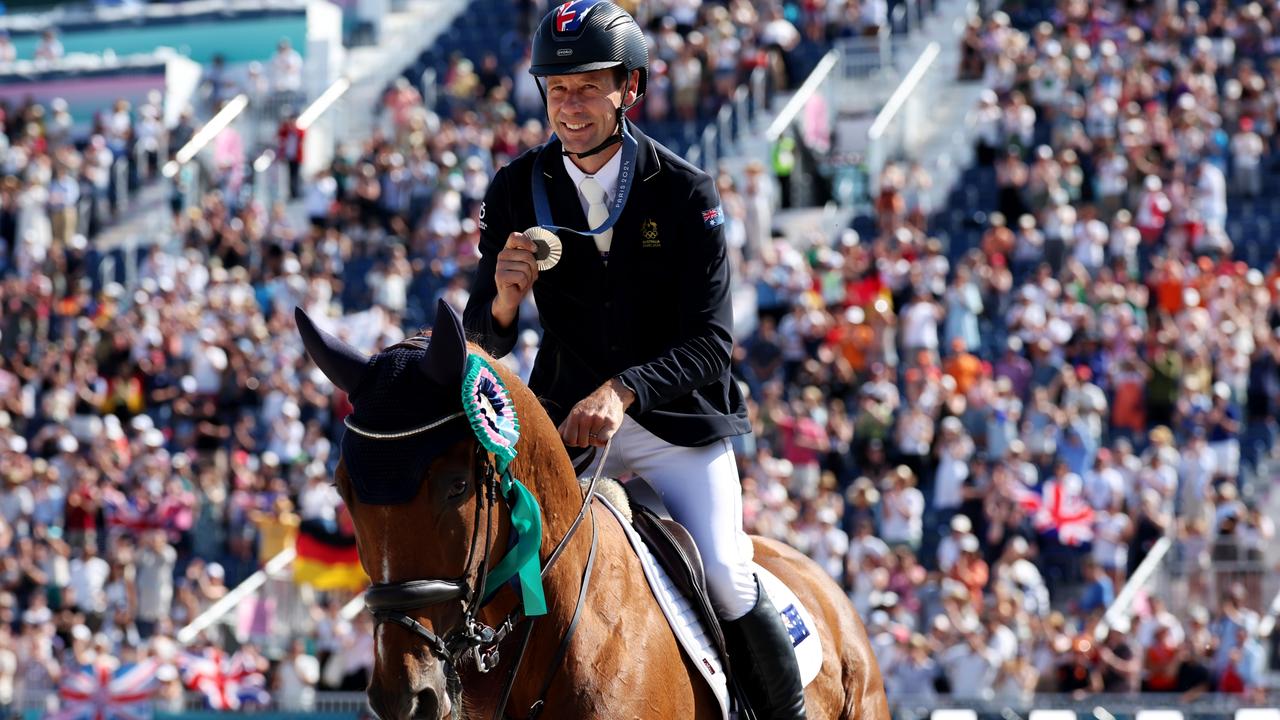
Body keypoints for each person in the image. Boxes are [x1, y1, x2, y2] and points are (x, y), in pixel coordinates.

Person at [462, 2, 805, 717]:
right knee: (504, 574)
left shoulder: (686, 194)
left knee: (728, 576)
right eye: (557, 90)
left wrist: (621, 392)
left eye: (588, 87)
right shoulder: (513, 189)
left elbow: (713, 344)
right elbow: (482, 345)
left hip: (677, 424)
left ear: (630, 89)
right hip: (567, 429)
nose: (571, 106)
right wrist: (500, 301)